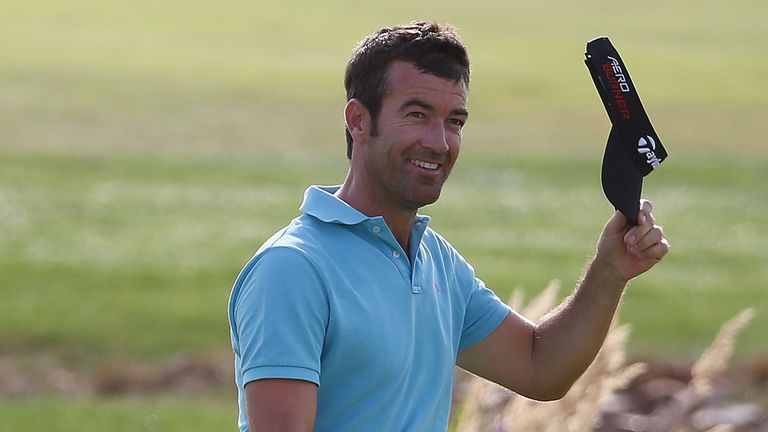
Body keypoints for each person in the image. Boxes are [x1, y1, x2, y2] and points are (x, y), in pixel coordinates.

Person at [228, 21, 669, 432]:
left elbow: (540, 369)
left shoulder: (435, 260)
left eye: (454, 121)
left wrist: (609, 271)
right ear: (358, 120)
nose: (438, 142)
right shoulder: (292, 270)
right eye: (416, 115)